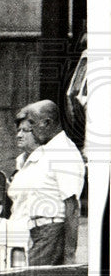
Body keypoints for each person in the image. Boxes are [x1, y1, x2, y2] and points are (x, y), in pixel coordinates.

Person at [7, 99, 86, 265]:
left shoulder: (63, 152)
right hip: (36, 231)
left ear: (47, 123)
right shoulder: (46, 151)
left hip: (50, 231)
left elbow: (72, 207)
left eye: (32, 125)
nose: (30, 131)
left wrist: (70, 255)